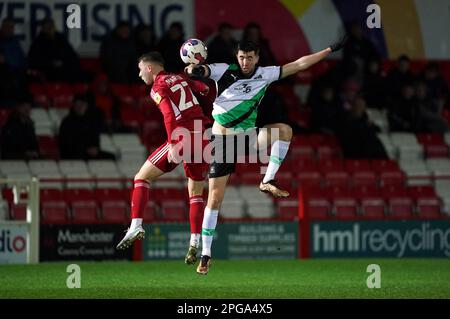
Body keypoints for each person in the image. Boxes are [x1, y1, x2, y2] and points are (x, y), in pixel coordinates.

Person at [185, 37, 347, 274]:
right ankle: (206, 254)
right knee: (215, 199)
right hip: (224, 143)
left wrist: (329, 49)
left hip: (249, 138)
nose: (245, 61)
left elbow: (300, 64)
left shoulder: (266, 73)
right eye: (241, 57)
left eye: (250, 57)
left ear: (257, 58)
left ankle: (267, 179)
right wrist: (194, 70)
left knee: (285, 131)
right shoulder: (224, 71)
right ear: (237, 57)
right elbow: (203, 70)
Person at [116, 52, 210, 266]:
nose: (139, 74)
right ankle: (195, 240)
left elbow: (168, 113)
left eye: (141, 69)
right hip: (202, 136)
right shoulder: (181, 77)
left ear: (150, 68)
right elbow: (203, 89)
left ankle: (136, 225)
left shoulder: (157, 86)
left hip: (183, 136)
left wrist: (174, 142)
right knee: (195, 193)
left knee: (141, 178)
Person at [58, 94, 115, 160]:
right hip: (73, 153)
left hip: (88, 152)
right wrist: (85, 149)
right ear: (74, 106)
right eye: (78, 105)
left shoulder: (90, 120)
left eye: (83, 105)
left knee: (110, 157)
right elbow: (66, 143)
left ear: (86, 106)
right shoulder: (67, 122)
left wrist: (95, 147)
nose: (80, 107)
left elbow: (95, 136)